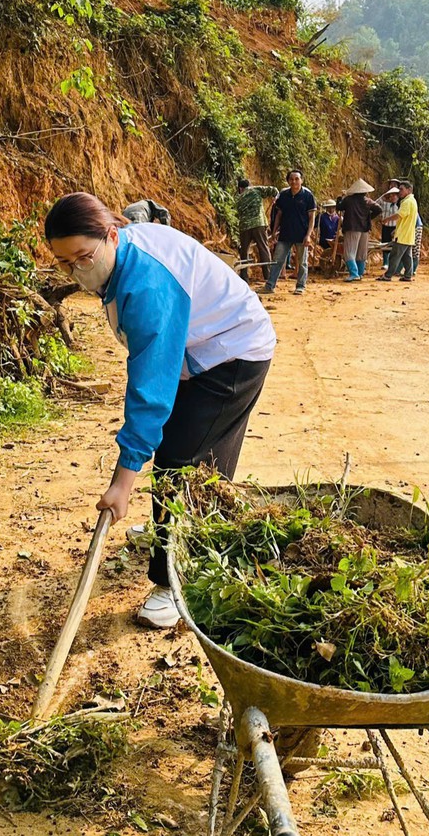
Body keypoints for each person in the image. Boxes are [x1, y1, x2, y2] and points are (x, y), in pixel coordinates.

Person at [44, 193, 275, 629]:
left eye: (82, 257)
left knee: (182, 462)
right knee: (189, 453)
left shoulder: (146, 282)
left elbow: (150, 391)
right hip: (199, 352)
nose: (76, 271)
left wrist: (122, 483)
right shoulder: (120, 259)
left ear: (112, 234)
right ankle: (187, 540)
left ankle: (176, 582)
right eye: (64, 262)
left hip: (233, 351)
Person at [264, 170, 317, 295]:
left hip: (301, 235)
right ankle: (269, 286)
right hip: (285, 233)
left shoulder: (308, 195)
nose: (294, 181)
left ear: (301, 180)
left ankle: (300, 286)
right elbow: (279, 215)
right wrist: (274, 231)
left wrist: (308, 235)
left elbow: (312, 218)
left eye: (297, 179)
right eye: (291, 179)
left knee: (302, 261)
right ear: (288, 181)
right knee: (277, 260)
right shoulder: (284, 195)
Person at [338, 178, 382, 282]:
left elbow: (339, 207)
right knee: (361, 253)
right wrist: (369, 217)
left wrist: (339, 199)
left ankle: (354, 273)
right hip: (364, 228)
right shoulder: (367, 201)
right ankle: (360, 273)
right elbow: (378, 209)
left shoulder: (348, 200)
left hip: (352, 228)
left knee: (349, 252)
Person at [235, 178, 279, 271]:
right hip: (258, 224)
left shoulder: (238, 198)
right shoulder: (256, 189)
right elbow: (274, 190)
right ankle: (267, 275)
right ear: (249, 185)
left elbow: (238, 213)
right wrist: (276, 197)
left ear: (240, 188)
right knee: (263, 248)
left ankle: (244, 276)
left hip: (244, 227)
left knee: (244, 251)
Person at [380, 180, 418, 282]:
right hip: (408, 234)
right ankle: (408, 275)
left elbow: (399, 215)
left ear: (409, 190)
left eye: (401, 189)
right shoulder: (412, 201)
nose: (399, 191)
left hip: (402, 235)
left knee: (394, 256)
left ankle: (388, 275)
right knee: (407, 257)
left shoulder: (407, 202)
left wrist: (386, 219)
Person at [378, 186, 400, 269]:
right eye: (391, 195)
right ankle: (385, 263)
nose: (393, 197)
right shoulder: (385, 204)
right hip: (386, 227)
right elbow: (376, 203)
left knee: (394, 246)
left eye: (395, 195)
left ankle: (393, 263)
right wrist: (384, 196)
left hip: (395, 227)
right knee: (385, 244)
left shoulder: (400, 205)